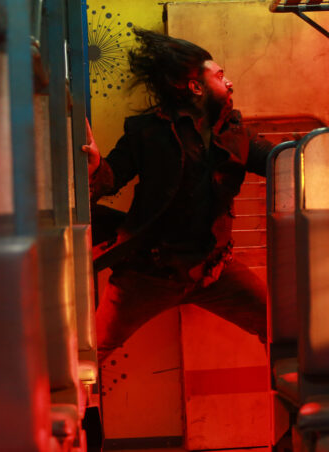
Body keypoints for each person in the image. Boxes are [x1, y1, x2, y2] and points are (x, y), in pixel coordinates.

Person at [81, 28, 274, 364]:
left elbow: (280, 160)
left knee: (282, 327)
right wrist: (96, 167)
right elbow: (112, 177)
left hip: (213, 271)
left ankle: (296, 391)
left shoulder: (235, 133)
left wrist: (317, 152)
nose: (229, 83)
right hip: (150, 275)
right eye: (220, 76)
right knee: (90, 352)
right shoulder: (148, 132)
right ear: (195, 87)